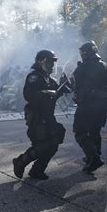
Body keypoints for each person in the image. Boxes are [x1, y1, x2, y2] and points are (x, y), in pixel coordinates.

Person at [12, 50, 66, 180]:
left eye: (53, 62)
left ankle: (37, 170)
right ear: (41, 61)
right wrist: (46, 92)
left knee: (54, 143)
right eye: (50, 62)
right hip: (37, 116)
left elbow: (56, 93)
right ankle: (20, 162)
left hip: (48, 116)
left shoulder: (50, 79)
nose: (52, 65)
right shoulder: (34, 77)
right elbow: (29, 95)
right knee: (42, 145)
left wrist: (65, 86)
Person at [72, 40, 107, 173]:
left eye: (82, 52)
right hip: (103, 102)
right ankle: (95, 155)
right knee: (95, 131)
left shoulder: (83, 67)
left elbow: (75, 83)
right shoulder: (105, 65)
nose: (81, 54)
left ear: (88, 52)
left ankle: (93, 157)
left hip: (88, 103)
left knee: (80, 131)